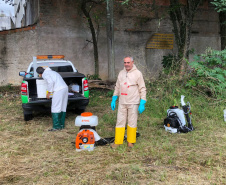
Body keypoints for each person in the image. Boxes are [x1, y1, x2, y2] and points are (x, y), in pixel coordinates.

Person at [111, 56, 147, 148]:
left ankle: (130, 141)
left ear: (132, 62)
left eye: (128, 62)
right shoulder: (121, 73)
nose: (126, 64)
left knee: (132, 122)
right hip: (122, 102)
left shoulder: (137, 73)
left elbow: (142, 88)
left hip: (133, 102)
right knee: (120, 121)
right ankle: (118, 141)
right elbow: (117, 87)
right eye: (125, 62)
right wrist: (114, 98)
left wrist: (142, 102)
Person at [36, 66, 68, 131]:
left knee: (55, 107)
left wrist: (49, 92)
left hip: (58, 90)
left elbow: (50, 82)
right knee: (62, 107)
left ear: (39, 73)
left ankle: (56, 127)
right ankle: (61, 125)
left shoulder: (45, 74)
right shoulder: (52, 72)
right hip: (65, 88)